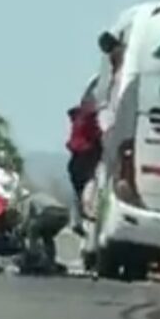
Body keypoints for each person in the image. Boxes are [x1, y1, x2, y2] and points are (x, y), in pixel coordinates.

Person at [66, 100, 101, 236]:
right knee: (87, 187)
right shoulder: (89, 122)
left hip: (76, 159)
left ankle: (78, 220)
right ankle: (85, 215)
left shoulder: (77, 122)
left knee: (79, 191)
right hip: (85, 158)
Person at [15, 189, 70, 276]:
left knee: (32, 228)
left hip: (51, 212)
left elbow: (26, 218)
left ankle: (34, 257)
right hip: (65, 214)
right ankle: (50, 261)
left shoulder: (28, 200)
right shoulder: (40, 196)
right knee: (47, 235)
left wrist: (20, 231)